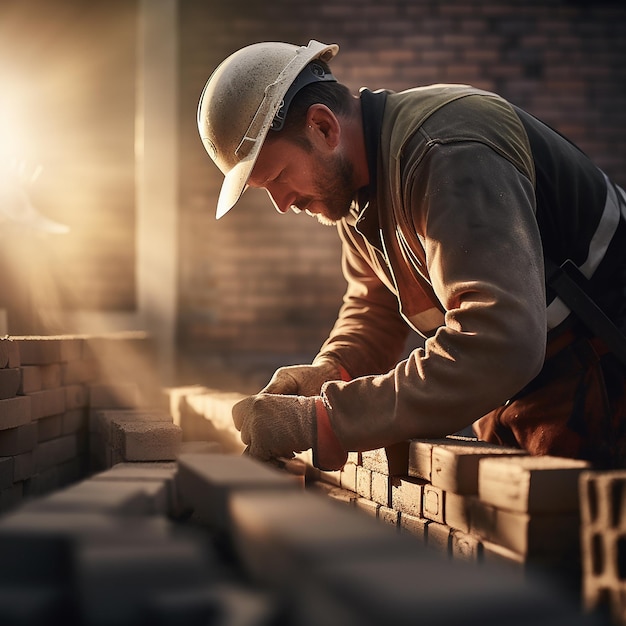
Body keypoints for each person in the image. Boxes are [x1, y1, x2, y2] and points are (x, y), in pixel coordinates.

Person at [197, 40, 626, 470]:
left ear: (323, 128)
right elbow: (373, 310)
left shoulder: (447, 154)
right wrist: (332, 370)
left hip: (607, 370)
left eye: (278, 177)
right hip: (544, 389)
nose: (282, 204)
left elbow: (500, 342)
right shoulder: (354, 189)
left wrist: (328, 418)